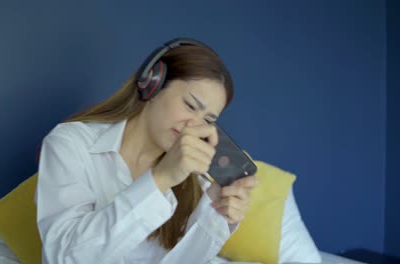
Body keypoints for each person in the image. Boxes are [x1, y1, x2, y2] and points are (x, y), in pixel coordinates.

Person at [35, 38, 259, 264]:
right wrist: (161, 178)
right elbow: (64, 258)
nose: (194, 127)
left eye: (208, 120)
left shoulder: (194, 181)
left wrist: (214, 213)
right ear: (153, 84)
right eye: (190, 106)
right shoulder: (71, 143)